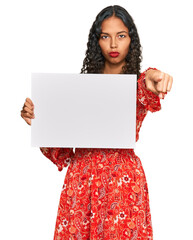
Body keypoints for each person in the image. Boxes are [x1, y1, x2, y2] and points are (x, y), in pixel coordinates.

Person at [21, 5, 173, 240]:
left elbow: (148, 86)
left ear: (131, 39)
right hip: (81, 180)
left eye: (121, 36)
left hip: (123, 182)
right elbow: (63, 152)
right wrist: (39, 120)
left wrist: (156, 76)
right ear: (97, 41)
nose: (113, 44)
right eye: (105, 36)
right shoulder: (79, 89)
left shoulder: (137, 82)